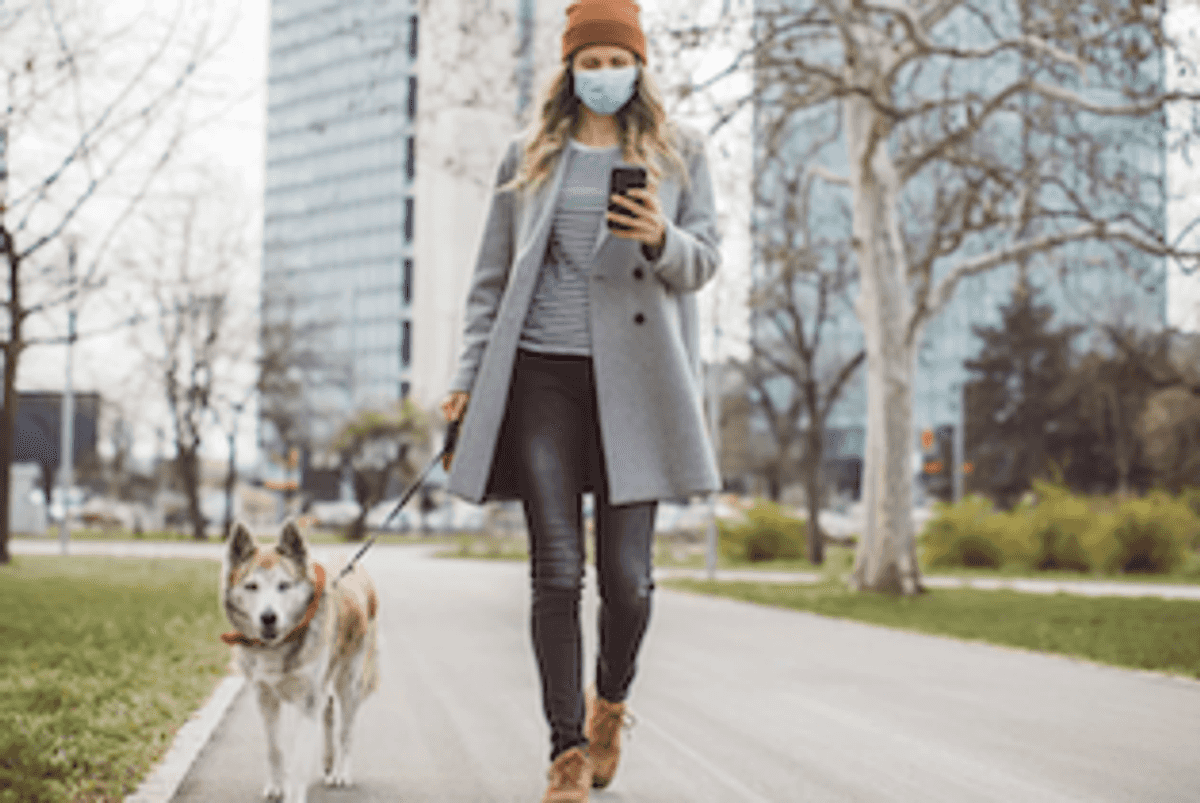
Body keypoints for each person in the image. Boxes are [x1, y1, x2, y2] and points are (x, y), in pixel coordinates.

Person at [439, 1, 721, 799]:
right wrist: (464, 379)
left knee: (627, 581)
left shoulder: (682, 152)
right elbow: (489, 279)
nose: (602, 75)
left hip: (639, 384)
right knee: (556, 572)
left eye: (615, 60)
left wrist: (662, 235)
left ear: (639, 64)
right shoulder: (528, 154)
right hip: (542, 380)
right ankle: (565, 750)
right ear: (568, 69)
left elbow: (707, 260)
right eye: (588, 62)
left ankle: (611, 701)